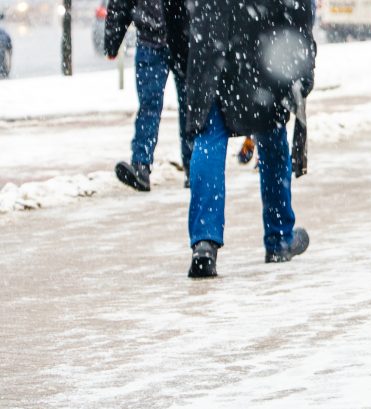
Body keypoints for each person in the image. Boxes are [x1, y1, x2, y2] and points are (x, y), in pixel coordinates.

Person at [182, 0, 317, 278]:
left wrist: (185, 47)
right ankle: (279, 238)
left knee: (209, 138)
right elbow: (300, 8)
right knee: (271, 134)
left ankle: (204, 243)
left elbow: (174, 10)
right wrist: (303, 62)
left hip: (211, 37)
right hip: (262, 40)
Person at [105, 0, 191, 191]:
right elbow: (120, 3)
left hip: (181, 38)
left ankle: (193, 166)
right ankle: (141, 166)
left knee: (187, 105)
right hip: (152, 41)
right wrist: (113, 38)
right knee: (151, 105)